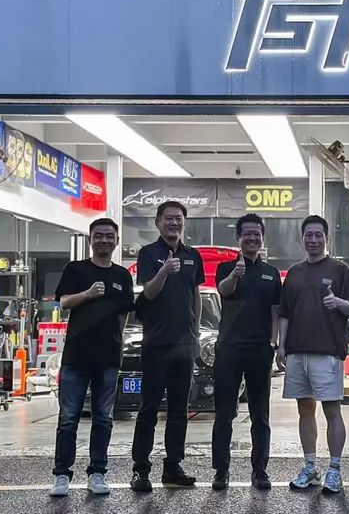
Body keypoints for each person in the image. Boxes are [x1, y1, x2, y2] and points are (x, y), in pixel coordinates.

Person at [50, 218, 134, 497]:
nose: (104, 240)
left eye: (109, 236)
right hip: (76, 356)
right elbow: (64, 303)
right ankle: (62, 475)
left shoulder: (122, 275)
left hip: (108, 357)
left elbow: (123, 315)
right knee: (68, 418)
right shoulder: (76, 269)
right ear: (91, 239)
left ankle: (97, 473)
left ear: (117, 241)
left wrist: (116, 342)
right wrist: (87, 294)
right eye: (99, 235)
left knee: (103, 419)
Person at [276, 215, 349, 494]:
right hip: (297, 351)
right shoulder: (294, 272)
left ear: (326, 238)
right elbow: (284, 313)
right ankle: (311, 467)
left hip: (327, 351)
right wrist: (282, 346)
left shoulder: (340, 269)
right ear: (302, 239)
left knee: (332, 410)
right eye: (308, 235)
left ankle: (335, 470)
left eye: (318, 235)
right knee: (305, 410)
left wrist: (338, 302)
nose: (313, 240)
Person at [130, 201, 205, 492]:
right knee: (149, 408)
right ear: (158, 222)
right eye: (168, 218)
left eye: (178, 218)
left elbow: (195, 295)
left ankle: (173, 467)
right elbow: (147, 293)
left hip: (184, 344)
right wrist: (163, 271)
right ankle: (140, 470)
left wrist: (195, 332)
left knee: (178, 410)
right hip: (156, 343)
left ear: (184, 222)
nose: (174, 223)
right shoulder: (148, 254)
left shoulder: (193, 256)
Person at [211, 213, 281, 491]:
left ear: (262, 238)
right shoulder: (225, 267)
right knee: (224, 414)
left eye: (257, 234)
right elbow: (223, 291)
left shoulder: (271, 273)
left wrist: (274, 343)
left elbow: (276, 311)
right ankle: (221, 471)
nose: (252, 238)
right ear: (238, 238)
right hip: (229, 348)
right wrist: (234, 275)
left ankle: (260, 470)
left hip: (260, 350)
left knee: (260, 415)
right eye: (247, 234)